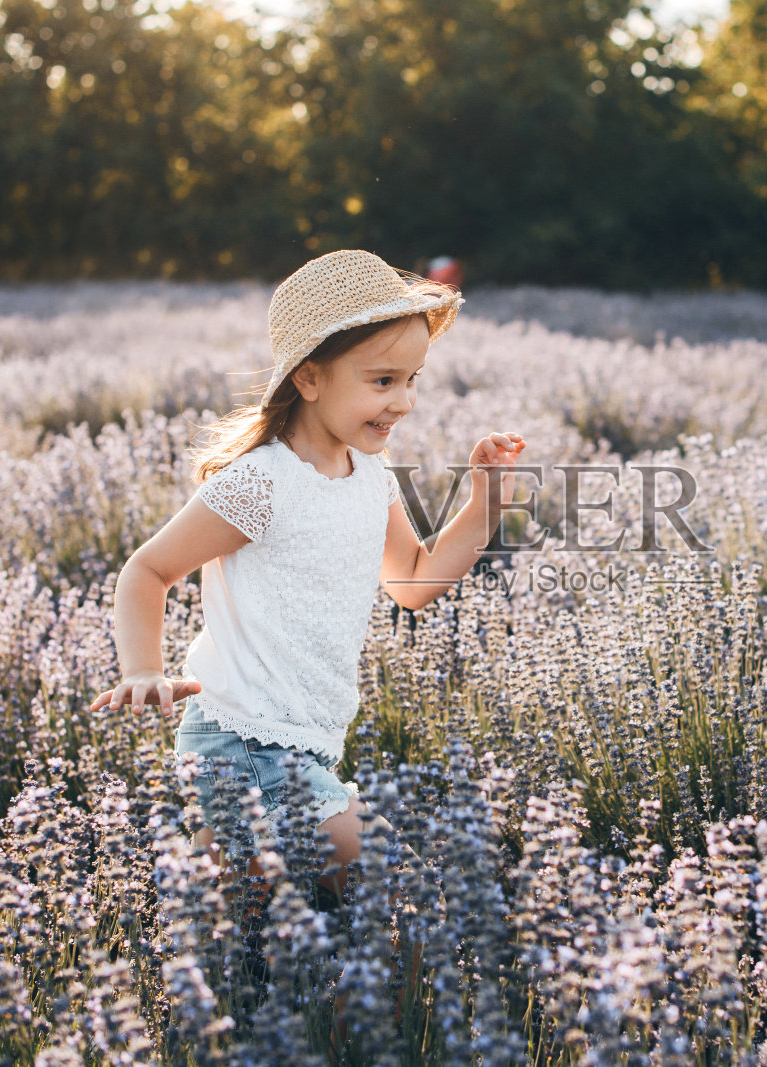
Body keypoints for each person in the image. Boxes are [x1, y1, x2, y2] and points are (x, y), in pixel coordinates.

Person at [88, 247, 525, 913]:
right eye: (383, 381)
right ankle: (385, 1016)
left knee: (245, 927)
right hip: (242, 740)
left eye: (413, 380)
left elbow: (411, 580)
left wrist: (483, 503)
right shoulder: (264, 481)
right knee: (394, 887)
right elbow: (148, 570)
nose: (404, 401)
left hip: (303, 745)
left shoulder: (368, 475)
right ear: (312, 378)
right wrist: (143, 667)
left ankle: (222, 909)